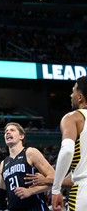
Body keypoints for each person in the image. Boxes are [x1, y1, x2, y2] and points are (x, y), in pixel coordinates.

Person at [0, 122, 55, 211]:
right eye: (6, 131)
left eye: (12, 130)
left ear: (21, 136)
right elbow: (0, 195)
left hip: (35, 207)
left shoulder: (30, 153)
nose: (7, 132)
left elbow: (54, 178)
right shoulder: (3, 164)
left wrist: (31, 191)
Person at [51, 76, 87, 211]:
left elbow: (67, 151)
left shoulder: (72, 117)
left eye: (73, 91)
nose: (70, 95)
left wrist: (56, 189)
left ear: (80, 97)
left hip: (83, 189)